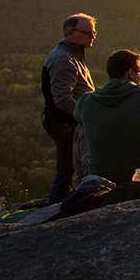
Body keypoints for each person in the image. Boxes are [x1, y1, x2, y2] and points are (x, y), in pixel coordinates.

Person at [76, 49, 140, 186]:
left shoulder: (86, 101)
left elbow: (77, 116)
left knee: (81, 128)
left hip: (100, 176)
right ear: (131, 73)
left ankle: (80, 183)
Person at [41, 13, 97, 204]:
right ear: (71, 33)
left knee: (67, 169)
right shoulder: (63, 59)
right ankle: (60, 210)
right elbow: (63, 99)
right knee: (70, 170)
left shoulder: (72, 54)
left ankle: (59, 207)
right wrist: (86, 116)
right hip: (66, 124)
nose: (93, 36)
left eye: (94, 32)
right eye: (88, 32)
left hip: (67, 122)